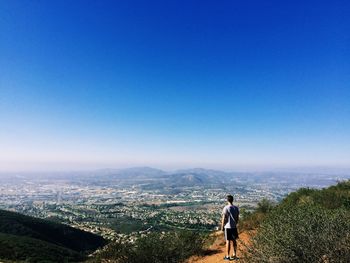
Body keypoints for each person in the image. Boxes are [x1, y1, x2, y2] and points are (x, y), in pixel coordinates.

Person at [221, 194, 239, 261]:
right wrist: (235, 223)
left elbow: (223, 218)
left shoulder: (226, 208)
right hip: (234, 227)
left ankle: (228, 256)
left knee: (228, 241)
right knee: (234, 241)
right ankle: (234, 255)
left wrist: (222, 226)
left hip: (227, 227)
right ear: (232, 200)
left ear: (227, 200)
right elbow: (237, 218)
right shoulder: (236, 208)